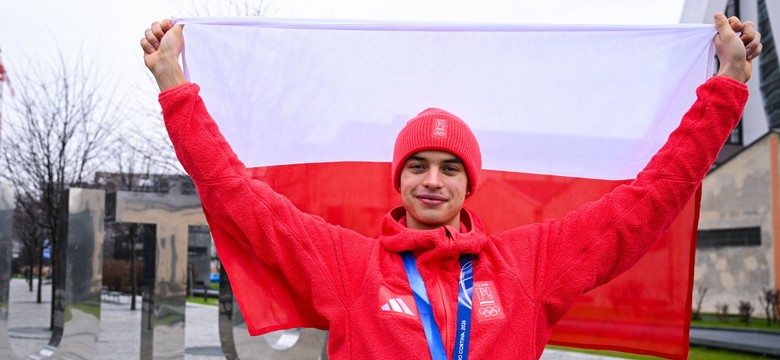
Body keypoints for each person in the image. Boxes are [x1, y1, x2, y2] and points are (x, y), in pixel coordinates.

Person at [141, 13, 761, 360]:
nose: (432, 180)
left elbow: (649, 199)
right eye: (418, 165)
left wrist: (729, 84)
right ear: (399, 180)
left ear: (470, 184)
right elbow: (236, 194)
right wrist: (173, 82)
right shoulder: (350, 267)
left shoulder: (528, 264)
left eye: (450, 167)